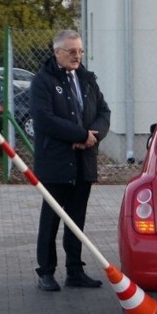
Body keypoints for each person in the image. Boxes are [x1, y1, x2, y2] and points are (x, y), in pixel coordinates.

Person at [30, 30, 111, 292]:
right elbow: (44, 119)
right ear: (57, 53)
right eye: (71, 51)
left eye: (80, 51)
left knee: (77, 220)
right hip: (55, 163)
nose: (77, 56)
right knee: (51, 219)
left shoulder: (86, 79)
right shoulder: (43, 81)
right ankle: (46, 272)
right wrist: (79, 135)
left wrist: (92, 137)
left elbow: (103, 111)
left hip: (83, 162)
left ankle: (75, 271)